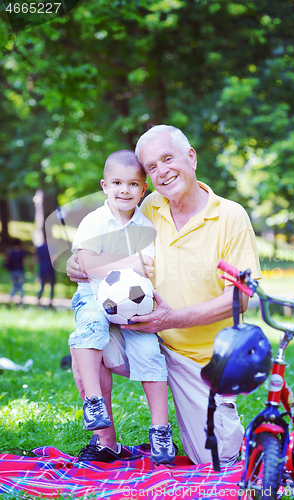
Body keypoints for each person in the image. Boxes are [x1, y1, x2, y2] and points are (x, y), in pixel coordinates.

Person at [67, 125, 261, 466]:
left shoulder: (231, 216)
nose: (162, 171)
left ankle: (195, 425)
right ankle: (106, 442)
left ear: (192, 157)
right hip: (137, 333)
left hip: (197, 358)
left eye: (168, 158)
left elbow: (241, 298)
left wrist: (171, 319)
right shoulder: (147, 205)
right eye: (152, 167)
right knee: (86, 338)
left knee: (217, 459)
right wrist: (77, 260)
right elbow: (99, 235)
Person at [69, 149, 175, 465]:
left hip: (135, 305)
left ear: (144, 189)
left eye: (132, 184)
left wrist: (104, 263)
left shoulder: (146, 226)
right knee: (91, 329)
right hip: (93, 298)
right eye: (117, 183)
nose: (124, 190)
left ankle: (160, 430)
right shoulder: (94, 221)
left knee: (150, 353)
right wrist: (129, 263)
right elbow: (86, 263)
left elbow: (148, 267)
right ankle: (93, 401)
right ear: (104, 185)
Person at [4, 238, 27, 306]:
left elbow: (6, 260)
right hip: (20, 271)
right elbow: (25, 262)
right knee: (20, 287)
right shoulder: (22, 252)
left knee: (14, 287)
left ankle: (10, 300)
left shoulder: (10, 251)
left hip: (12, 272)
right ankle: (21, 302)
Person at [35, 242, 56, 307]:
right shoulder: (52, 247)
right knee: (52, 286)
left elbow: (35, 260)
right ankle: (51, 302)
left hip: (42, 269)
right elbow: (55, 259)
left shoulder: (39, 248)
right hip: (50, 269)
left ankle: (38, 301)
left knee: (42, 286)